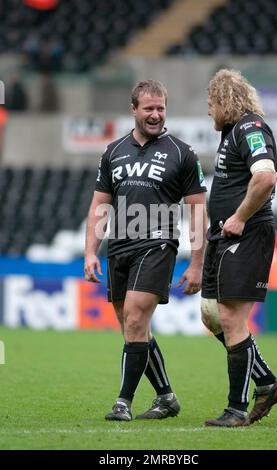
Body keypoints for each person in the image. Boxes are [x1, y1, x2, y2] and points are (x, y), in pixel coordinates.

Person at [84, 79, 207, 421]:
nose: (155, 115)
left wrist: (197, 263)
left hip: (158, 242)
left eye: (161, 108)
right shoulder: (113, 152)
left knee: (136, 317)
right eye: (148, 108)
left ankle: (123, 402)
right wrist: (91, 251)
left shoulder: (183, 153)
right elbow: (99, 205)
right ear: (134, 110)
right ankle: (167, 397)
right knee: (132, 327)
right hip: (119, 246)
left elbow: (198, 209)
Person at [201, 69, 277, 427]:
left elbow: (265, 177)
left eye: (211, 104)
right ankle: (267, 382)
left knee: (232, 318)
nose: (209, 112)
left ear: (225, 100)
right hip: (223, 236)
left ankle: (236, 409)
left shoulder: (251, 128)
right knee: (211, 314)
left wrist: (238, 217)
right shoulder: (232, 132)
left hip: (246, 233)